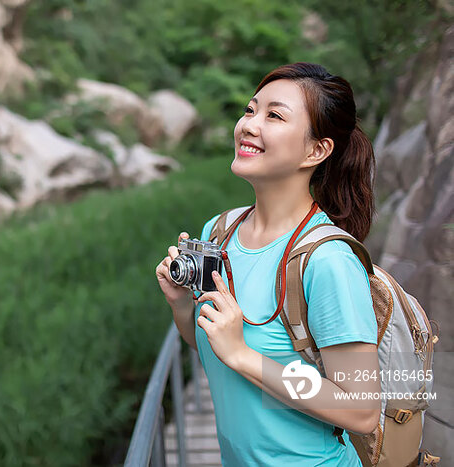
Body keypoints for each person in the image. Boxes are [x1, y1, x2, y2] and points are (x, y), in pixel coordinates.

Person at [155, 63, 381, 466]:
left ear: (316, 151)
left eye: (274, 116)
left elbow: (361, 410)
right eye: (249, 110)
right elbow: (211, 347)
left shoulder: (328, 260)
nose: (249, 125)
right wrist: (181, 305)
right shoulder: (220, 230)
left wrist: (245, 355)